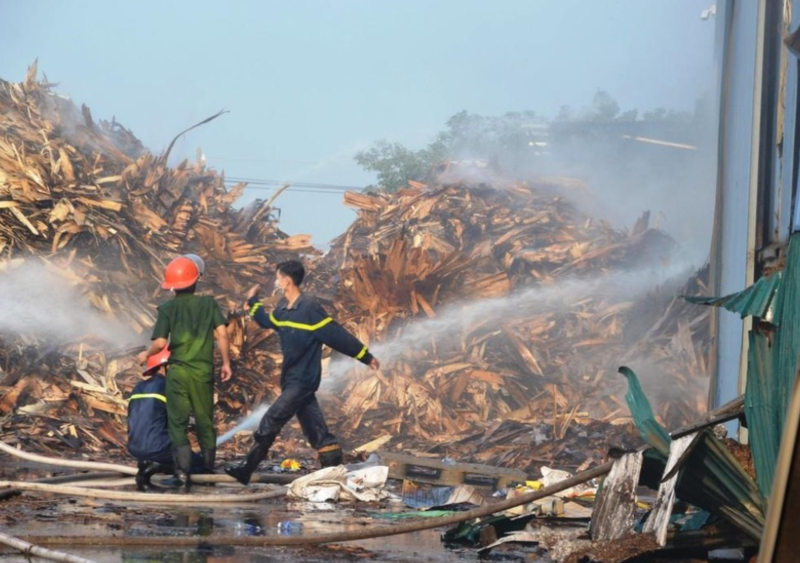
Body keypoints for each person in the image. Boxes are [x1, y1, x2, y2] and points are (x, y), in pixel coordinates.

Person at [225, 259, 380, 486]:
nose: (277, 282)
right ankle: (334, 471)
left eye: (278, 278)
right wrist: (253, 302)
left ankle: (246, 470)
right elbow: (268, 322)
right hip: (291, 381)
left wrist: (365, 356)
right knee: (317, 432)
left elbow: (336, 335)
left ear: (287, 281)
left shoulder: (309, 309)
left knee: (271, 419)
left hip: (303, 381)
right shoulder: (284, 309)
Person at [137, 256, 232, 491]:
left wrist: (145, 355)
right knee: (204, 421)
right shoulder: (209, 305)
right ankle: (208, 471)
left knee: (177, 423)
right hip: (202, 371)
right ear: (196, 279)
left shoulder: (168, 308)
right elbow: (223, 334)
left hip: (178, 371)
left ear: (170, 286)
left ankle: (181, 475)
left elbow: (160, 343)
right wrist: (226, 363)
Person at [127, 347, 204, 490]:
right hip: (159, 448)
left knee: (177, 458)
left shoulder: (138, 387)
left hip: (135, 448)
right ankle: (157, 467)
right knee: (200, 465)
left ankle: (148, 465)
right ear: (164, 367)